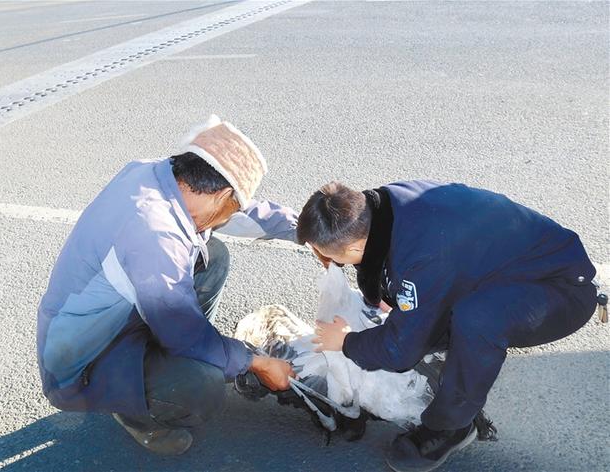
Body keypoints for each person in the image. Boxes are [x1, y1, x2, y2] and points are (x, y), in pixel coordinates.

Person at [37, 116, 297, 455]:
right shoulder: (155, 234)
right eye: (230, 206)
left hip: (116, 318)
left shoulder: (159, 175)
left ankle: (184, 359)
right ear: (222, 195)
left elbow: (247, 214)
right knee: (202, 385)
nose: (229, 216)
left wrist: (308, 231)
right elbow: (184, 332)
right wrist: (255, 362)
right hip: (83, 360)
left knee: (213, 257)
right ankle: (137, 412)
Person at [298, 181, 598, 472]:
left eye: (331, 257)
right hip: (515, 269)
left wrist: (347, 341)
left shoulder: (422, 255)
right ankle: (450, 352)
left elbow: (399, 352)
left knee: (476, 319)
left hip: (560, 290)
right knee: (424, 317)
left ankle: (451, 427)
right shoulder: (384, 207)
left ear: (354, 248)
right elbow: (404, 271)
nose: (328, 260)